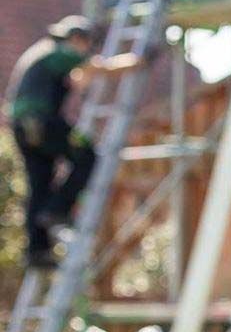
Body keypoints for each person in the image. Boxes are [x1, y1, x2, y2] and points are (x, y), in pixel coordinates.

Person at [6, 16, 141, 269]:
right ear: (76, 38)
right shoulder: (59, 51)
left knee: (39, 185)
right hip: (42, 123)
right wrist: (137, 62)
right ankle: (58, 209)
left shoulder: (40, 54)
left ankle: (37, 251)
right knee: (87, 155)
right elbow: (98, 67)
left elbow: (78, 79)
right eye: (85, 43)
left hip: (23, 128)